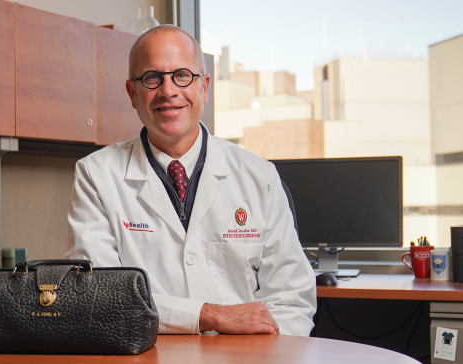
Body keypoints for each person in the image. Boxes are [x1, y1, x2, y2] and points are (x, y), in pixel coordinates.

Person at [65, 24, 316, 336]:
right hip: (148, 355)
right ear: (132, 93)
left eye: (182, 75)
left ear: (204, 87)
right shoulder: (97, 175)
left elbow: (292, 298)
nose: (168, 91)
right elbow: (101, 295)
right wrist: (208, 316)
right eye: (152, 77)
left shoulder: (258, 175)